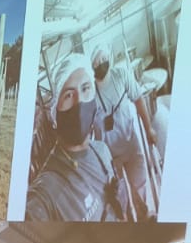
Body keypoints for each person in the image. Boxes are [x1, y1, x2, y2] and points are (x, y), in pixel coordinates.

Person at [26, 53, 121, 222]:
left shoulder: (102, 150)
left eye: (85, 89)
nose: (79, 102)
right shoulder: (48, 191)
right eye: (68, 95)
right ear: (55, 112)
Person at [91, 46, 155, 218]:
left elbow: (138, 98)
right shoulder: (90, 93)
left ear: (109, 58)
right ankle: (129, 220)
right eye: (96, 62)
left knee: (139, 184)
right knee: (121, 196)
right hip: (110, 156)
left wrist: (149, 128)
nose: (101, 63)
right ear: (92, 66)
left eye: (103, 59)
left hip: (130, 143)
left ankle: (144, 216)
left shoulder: (121, 75)